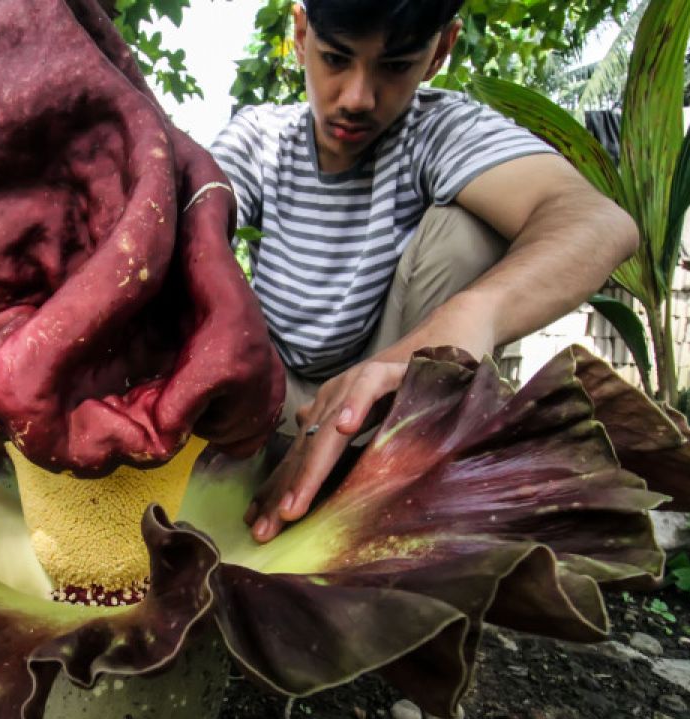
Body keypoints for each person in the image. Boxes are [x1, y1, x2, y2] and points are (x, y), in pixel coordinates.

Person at [209, 0, 639, 543]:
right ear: (299, 34)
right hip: (264, 400)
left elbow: (599, 222)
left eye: (394, 67)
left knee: (471, 229)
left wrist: (463, 323)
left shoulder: (441, 130)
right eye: (335, 59)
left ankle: (395, 484)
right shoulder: (260, 140)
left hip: (389, 403)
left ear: (441, 50)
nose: (357, 98)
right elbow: (179, 235)